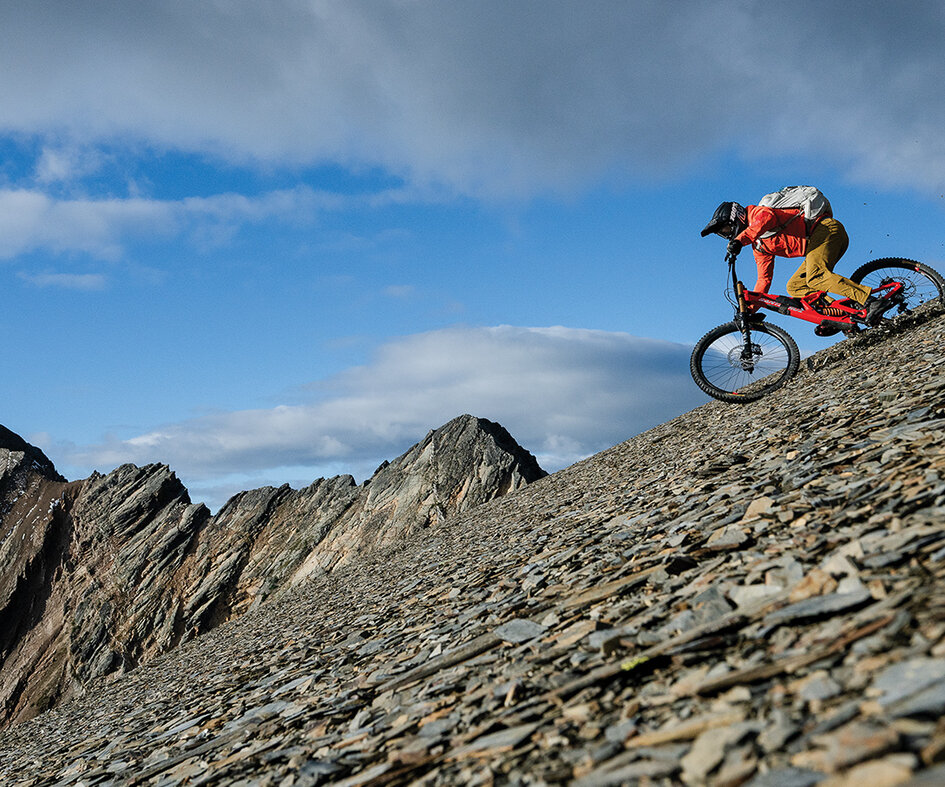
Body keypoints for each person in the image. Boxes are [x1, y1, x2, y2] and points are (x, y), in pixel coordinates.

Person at [700, 201, 887, 325]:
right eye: (721, 233)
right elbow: (763, 281)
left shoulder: (757, 213)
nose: (725, 234)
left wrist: (740, 241)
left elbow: (766, 220)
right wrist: (749, 310)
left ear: (735, 218)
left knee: (816, 276)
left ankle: (869, 300)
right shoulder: (759, 246)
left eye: (725, 228)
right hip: (817, 245)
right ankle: (840, 315)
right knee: (795, 286)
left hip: (826, 230)